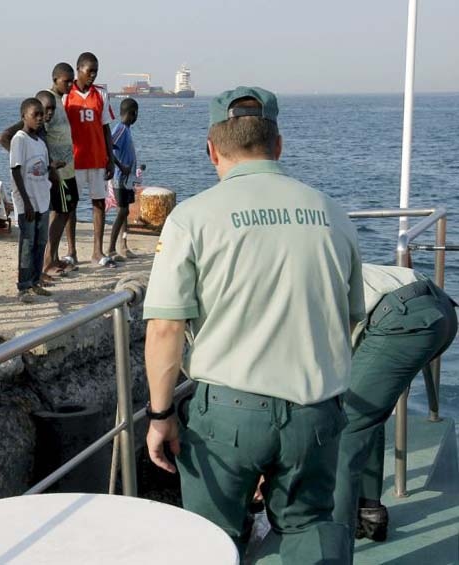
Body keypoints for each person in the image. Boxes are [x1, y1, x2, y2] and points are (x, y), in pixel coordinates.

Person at [142, 86, 365, 563]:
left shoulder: (191, 219)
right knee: (308, 533)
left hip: (227, 414)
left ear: (211, 149)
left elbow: (165, 328)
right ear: (278, 145)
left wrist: (161, 416)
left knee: (211, 541)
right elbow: (349, 317)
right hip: (315, 412)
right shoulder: (332, 214)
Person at [333, 264, 457, 543]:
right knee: (366, 412)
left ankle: (330, 539)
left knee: (343, 428)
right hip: (440, 310)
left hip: (401, 318)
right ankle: (368, 512)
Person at [0, 64, 78, 278]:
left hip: (60, 172)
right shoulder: (42, 105)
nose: (45, 115)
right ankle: (45, 263)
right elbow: (5, 137)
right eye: (66, 81)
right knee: (55, 216)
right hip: (51, 177)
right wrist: (26, 163)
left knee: (61, 213)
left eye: (72, 80)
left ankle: (48, 261)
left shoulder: (58, 102)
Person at [64, 52, 116, 268]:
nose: (93, 75)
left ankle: (97, 251)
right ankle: (71, 252)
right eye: (89, 70)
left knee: (98, 204)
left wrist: (110, 158)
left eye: (96, 70)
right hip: (74, 160)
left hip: (96, 158)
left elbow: (105, 129)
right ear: (79, 69)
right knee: (71, 205)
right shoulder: (67, 95)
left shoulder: (101, 95)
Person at [9, 98, 53, 303]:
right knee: (27, 243)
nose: (40, 118)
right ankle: (24, 285)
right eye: (35, 114)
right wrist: (25, 201)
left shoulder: (40, 142)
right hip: (28, 201)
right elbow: (16, 171)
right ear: (23, 116)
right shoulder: (20, 140)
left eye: (41, 114)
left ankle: (35, 280)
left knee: (40, 241)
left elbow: (42, 168)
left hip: (43, 199)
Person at [107, 98, 139, 261]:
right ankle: (111, 248)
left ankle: (124, 245)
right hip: (120, 178)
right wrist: (120, 166)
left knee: (125, 211)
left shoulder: (127, 130)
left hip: (128, 180)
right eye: (136, 114)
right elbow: (109, 146)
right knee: (122, 211)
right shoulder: (120, 128)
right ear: (133, 113)